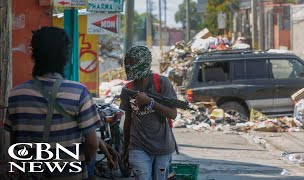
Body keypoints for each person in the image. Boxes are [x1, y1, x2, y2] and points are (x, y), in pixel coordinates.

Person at [4, 27, 102, 179]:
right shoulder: (79, 92)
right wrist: (83, 163)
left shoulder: (16, 94)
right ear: (65, 56)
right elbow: (92, 144)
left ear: (34, 55)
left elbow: (15, 142)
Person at [120, 46, 178, 180]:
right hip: (138, 146)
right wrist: (125, 150)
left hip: (162, 147)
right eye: (128, 62)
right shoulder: (127, 89)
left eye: (133, 62)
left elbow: (173, 114)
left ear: (143, 62)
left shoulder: (162, 83)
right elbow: (127, 121)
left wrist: (150, 102)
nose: (129, 65)